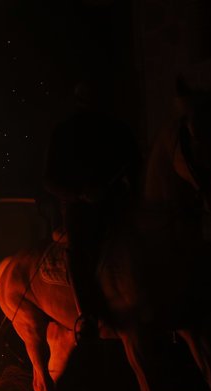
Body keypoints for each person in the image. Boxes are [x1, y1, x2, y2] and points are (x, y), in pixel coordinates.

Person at [39, 81, 141, 345]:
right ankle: (87, 316)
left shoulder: (119, 131)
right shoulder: (65, 132)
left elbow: (135, 167)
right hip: (82, 210)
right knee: (79, 252)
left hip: (119, 204)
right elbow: (50, 179)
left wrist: (131, 192)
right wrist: (80, 194)